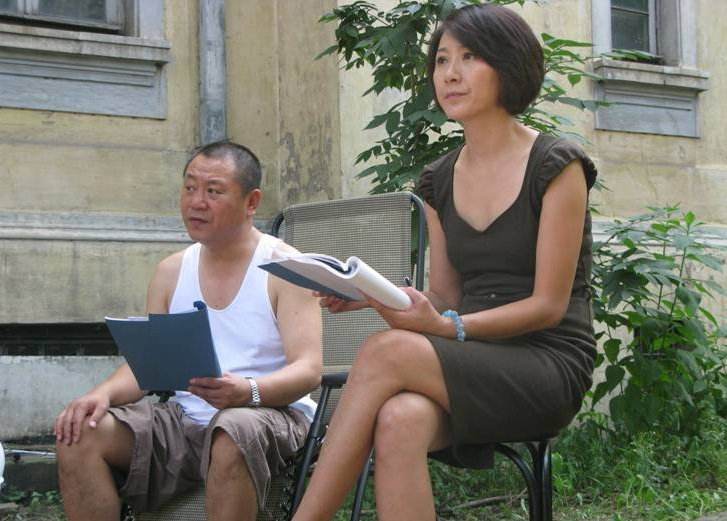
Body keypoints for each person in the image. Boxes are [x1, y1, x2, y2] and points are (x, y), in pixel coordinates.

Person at [291, 4, 597, 521]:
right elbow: (445, 297)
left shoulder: (556, 165)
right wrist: (372, 296)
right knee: (400, 419)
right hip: (472, 353)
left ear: (508, 65)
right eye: (441, 60)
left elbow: (548, 306)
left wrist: (447, 326)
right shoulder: (438, 179)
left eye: (470, 57)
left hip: (546, 360)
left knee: (387, 351)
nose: (450, 74)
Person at [54, 141, 322, 521]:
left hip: (267, 415)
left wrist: (248, 391)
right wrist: (101, 394)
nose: (197, 202)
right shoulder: (171, 271)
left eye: (213, 191)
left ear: (251, 202)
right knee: (80, 432)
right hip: (184, 421)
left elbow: (308, 370)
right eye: (190, 187)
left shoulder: (285, 267)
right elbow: (150, 365)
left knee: (231, 429)